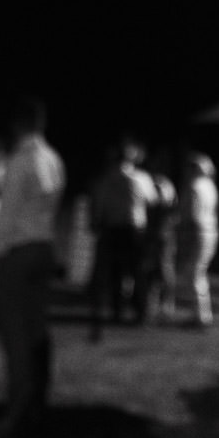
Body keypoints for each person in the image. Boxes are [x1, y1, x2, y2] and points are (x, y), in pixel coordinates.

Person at [0, 95, 65, 438]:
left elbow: (7, 215)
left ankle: (16, 412)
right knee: (37, 332)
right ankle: (37, 405)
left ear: (18, 125)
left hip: (18, 253)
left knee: (16, 335)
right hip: (44, 248)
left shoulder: (20, 160)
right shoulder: (53, 159)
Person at [88, 136, 156, 330]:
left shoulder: (106, 178)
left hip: (113, 228)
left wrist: (96, 222)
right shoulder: (140, 178)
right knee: (138, 271)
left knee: (116, 271)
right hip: (135, 229)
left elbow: (99, 204)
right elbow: (152, 200)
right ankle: (140, 311)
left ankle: (117, 311)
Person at [177, 152, 219, 328]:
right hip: (210, 231)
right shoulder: (210, 185)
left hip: (198, 231)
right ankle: (202, 314)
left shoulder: (194, 186)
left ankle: (200, 316)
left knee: (195, 274)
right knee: (199, 273)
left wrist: (185, 235)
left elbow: (192, 215)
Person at [139, 149, 180, 324]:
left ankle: (163, 307)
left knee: (162, 271)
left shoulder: (162, 185)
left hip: (161, 235)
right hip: (156, 235)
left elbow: (168, 211)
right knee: (153, 272)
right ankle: (151, 308)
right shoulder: (156, 183)